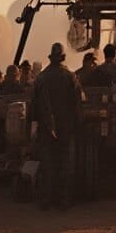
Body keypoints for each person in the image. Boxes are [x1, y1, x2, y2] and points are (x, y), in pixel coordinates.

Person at [33, 43, 83, 209]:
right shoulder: (70, 76)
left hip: (46, 128)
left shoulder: (41, 78)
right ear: (63, 58)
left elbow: (34, 106)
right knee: (65, 164)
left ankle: (47, 199)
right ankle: (63, 200)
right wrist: (77, 124)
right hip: (66, 127)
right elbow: (77, 103)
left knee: (47, 164)